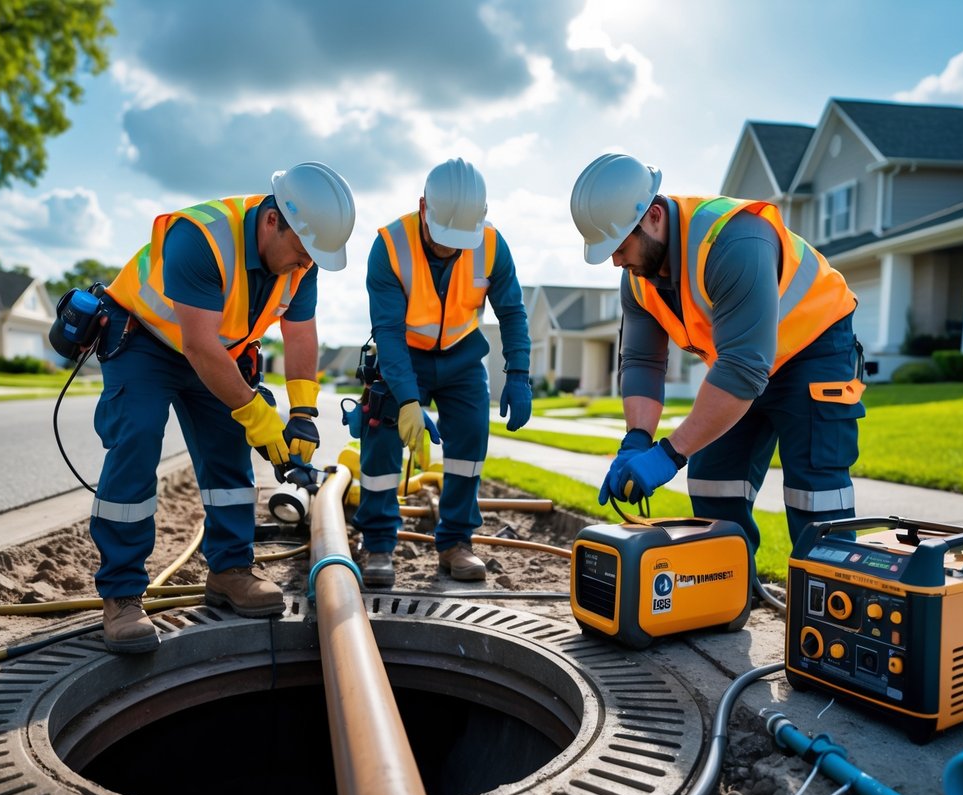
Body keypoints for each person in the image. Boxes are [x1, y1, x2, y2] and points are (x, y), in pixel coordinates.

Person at [91, 161, 356, 653]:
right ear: (273, 219)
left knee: (228, 455)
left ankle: (231, 569)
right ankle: (122, 593)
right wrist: (257, 414)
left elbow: (299, 333)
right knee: (138, 440)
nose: (303, 265)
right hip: (145, 342)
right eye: (301, 252)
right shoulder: (201, 237)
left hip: (217, 352)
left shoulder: (302, 261)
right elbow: (197, 344)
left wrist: (301, 414)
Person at [570, 153, 864, 554]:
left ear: (654, 215)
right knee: (713, 482)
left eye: (620, 246)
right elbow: (642, 361)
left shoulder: (733, 240)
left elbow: (743, 369)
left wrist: (668, 455)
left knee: (815, 496)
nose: (617, 261)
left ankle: (832, 610)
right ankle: (727, 603)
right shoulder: (637, 279)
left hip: (814, 350)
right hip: (740, 365)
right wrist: (637, 439)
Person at [352, 158, 532, 587]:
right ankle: (377, 544)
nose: (451, 248)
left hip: (462, 357)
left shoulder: (491, 244)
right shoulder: (390, 246)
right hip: (404, 355)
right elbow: (389, 332)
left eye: (459, 240)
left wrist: (520, 374)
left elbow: (512, 312)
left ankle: (455, 542)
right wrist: (409, 401)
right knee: (381, 438)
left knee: (470, 442)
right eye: (443, 237)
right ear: (422, 208)